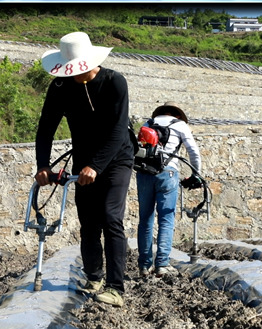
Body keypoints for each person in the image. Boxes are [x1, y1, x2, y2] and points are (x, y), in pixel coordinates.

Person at [34, 32, 133, 307]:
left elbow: (117, 130)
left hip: (116, 160)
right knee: (88, 221)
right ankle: (94, 277)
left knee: (111, 217)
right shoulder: (60, 88)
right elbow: (45, 130)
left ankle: (115, 288)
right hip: (84, 160)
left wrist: (97, 166)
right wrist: (43, 165)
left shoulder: (114, 82)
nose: (73, 74)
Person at [136, 101, 202, 277]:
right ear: (177, 114)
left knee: (145, 219)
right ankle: (162, 264)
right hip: (167, 173)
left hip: (143, 174)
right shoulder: (180, 125)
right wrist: (197, 174)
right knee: (166, 218)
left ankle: (144, 265)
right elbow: (193, 151)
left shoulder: (147, 124)